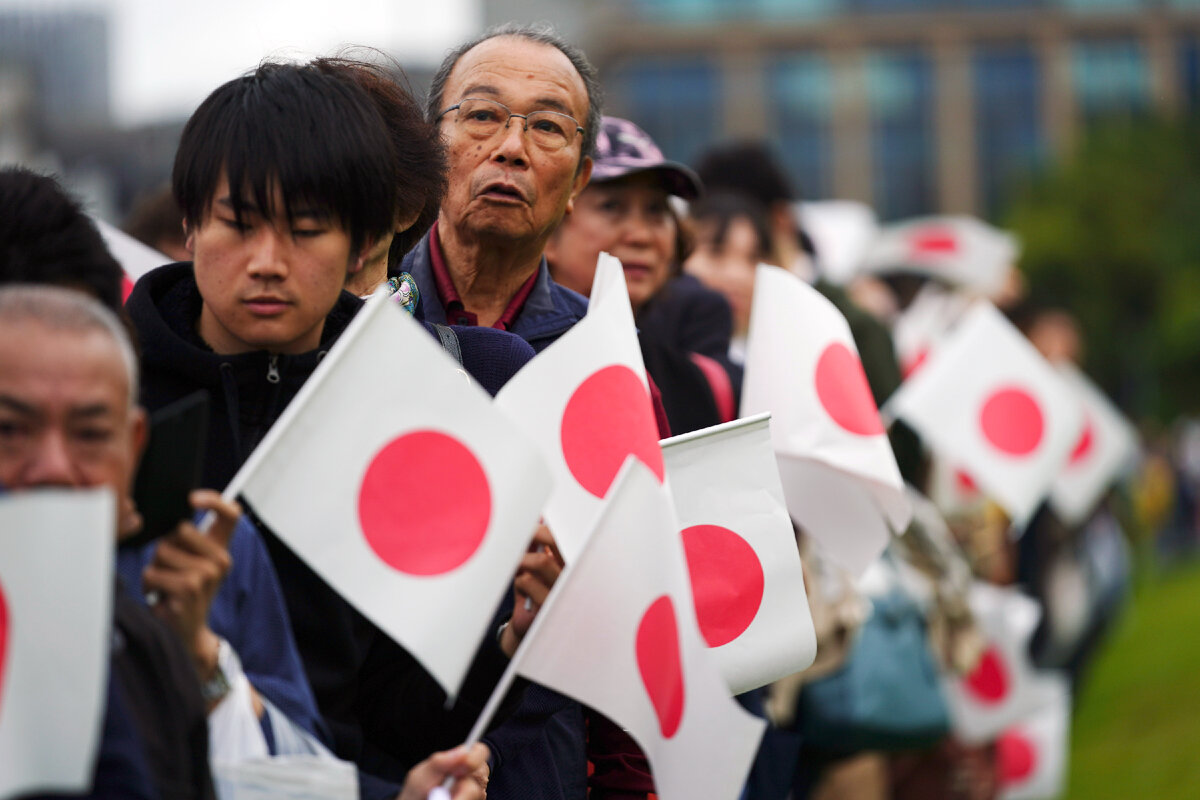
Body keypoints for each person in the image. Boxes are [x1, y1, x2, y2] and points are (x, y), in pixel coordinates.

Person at [124, 59, 542, 795]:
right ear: (188, 222)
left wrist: (510, 639)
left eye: (307, 230)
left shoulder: (405, 407)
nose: (267, 263)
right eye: (238, 224)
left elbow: (395, 707)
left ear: (363, 245)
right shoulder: (106, 401)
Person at [545, 115, 736, 432]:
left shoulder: (693, 385)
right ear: (548, 232)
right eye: (611, 206)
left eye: (656, 210)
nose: (641, 235)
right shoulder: (506, 363)